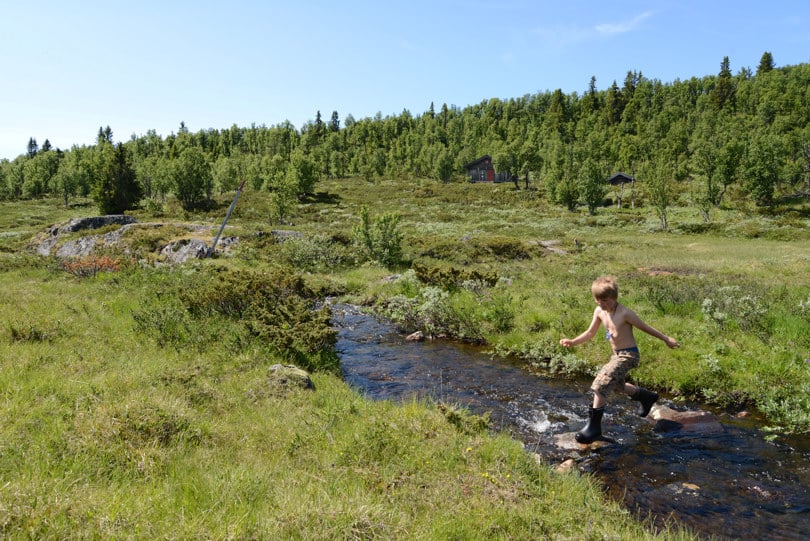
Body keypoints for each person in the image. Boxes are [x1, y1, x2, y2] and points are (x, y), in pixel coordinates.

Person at [559, 276, 679, 443]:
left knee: (602, 382)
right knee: (616, 386)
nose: (602, 303)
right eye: (598, 300)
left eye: (605, 300)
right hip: (615, 355)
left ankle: (593, 429)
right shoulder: (599, 311)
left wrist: (666, 339)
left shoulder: (625, 313)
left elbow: (645, 327)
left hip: (628, 355)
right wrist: (572, 341)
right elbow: (590, 333)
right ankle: (646, 396)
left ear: (614, 298)